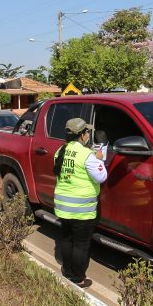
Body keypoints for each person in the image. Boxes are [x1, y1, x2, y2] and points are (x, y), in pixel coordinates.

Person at [53, 118, 107, 288]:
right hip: (82, 209)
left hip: (63, 206)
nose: (88, 136)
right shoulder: (87, 155)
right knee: (81, 244)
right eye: (86, 133)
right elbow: (101, 177)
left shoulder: (60, 150)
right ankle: (77, 278)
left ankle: (67, 271)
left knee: (67, 239)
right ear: (83, 135)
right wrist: (99, 159)